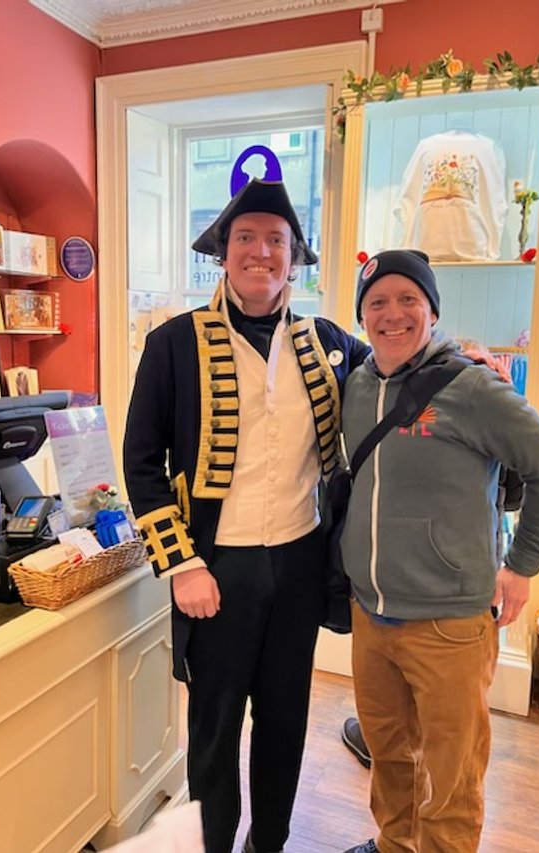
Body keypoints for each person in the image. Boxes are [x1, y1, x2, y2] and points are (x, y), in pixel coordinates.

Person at [123, 178, 368, 853]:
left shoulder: (327, 342)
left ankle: (270, 845)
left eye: (276, 241)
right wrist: (183, 563)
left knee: (286, 722)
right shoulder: (172, 343)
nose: (261, 251)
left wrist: (461, 360)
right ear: (223, 254)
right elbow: (141, 461)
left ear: (293, 258)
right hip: (216, 568)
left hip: (299, 563)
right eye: (246, 238)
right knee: (214, 727)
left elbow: (397, 371)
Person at [339, 249, 539, 853]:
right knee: (389, 758)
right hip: (371, 615)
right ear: (363, 315)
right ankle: (393, 846)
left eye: (408, 300)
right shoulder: (358, 384)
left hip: (449, 624)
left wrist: (522, 566)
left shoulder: (472, 386)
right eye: (377, 302)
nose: (392, 315)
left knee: (452, 779)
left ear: (432, 310)